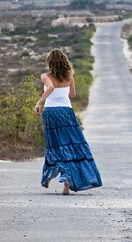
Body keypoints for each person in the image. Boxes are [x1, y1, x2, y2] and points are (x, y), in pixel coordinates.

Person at [34, 48, 102, 195]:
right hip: (67, 112)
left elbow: (51, 87)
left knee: (56, 145)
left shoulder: (46, 76)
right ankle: (67, 182)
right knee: (71, 144)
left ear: (49, 62)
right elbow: (73, 94)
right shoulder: (70, 75)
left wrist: (39, 102)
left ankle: (51, 175)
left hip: (52, 113)